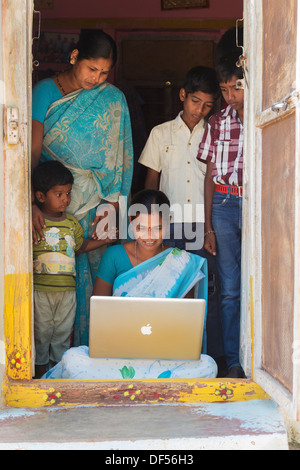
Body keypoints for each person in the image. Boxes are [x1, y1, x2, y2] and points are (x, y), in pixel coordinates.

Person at [43, 190, 217, 380]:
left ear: (168, 224)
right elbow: (98, 312)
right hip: (117, 353)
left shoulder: (181, 263)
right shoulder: (114, 256)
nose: (149, 236)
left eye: (157, 228)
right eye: (141, 228)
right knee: (72, 359)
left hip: (165, 357)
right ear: (131, 223)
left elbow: (186, 323)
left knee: (208, 366)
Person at [31, 29, 133, 346]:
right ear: (75, 57)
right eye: (92, 69)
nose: (97, 78)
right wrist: (30, 203)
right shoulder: (45, 91)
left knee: (97, 281)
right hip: (53, 201)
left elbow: (121, 158)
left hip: (97, 205)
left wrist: (114, 208)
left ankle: (91, 352)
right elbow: (33, 152)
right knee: (50, 284)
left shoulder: (112, 99)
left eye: (104, 72)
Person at [138, 66, 225, 374]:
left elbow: (215, 182)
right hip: (170, 228)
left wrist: (211, 229)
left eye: (207, 106)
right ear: (183, 95)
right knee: (166, 291)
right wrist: (148, 228)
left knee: (205, 294)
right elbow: (151, 183)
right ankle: (163, 360)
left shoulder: (215, 134)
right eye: (195, 101)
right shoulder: (160, 134)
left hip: (203, 229)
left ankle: (206, 361)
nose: (199, 110)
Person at [32, 161, 117, 378]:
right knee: (40, 334)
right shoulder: (35, 222)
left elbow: (80, 247)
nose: (66, 200)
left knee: (62, 334)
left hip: (67, 293)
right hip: (40, 292)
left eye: (68, 193)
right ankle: (39, 374)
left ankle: (57, 374)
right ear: (41, 197)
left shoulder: (71, 223)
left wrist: (105, 240)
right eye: (59, 194)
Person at [197, 28, 246, 378]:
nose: (230, 96)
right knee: (229, 289)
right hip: (225, 207)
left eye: (236, 88)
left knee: (259, 283)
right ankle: (233, 361)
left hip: (257, 204)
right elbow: (209, 177)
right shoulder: (216, 123)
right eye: (225, 90)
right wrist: (210, 225)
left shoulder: (263, 120)